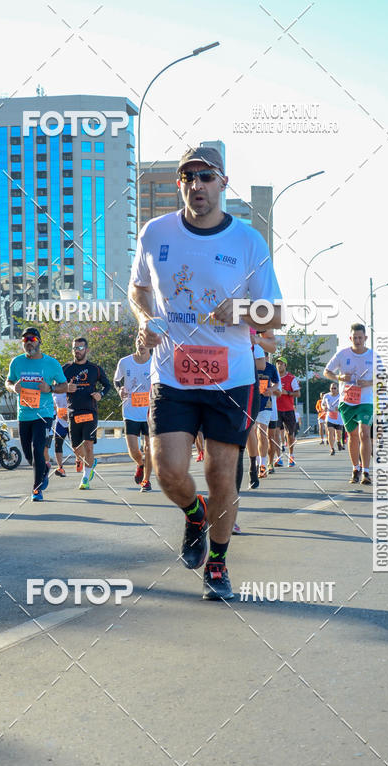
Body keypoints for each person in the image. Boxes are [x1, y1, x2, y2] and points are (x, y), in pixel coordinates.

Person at [129, 145, 282, 600]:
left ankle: (217, 564)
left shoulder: (248, 241)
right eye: (188, 177)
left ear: (223, 183)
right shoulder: (155, 232)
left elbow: (275, 314)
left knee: (221, 474)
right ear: (181, 184)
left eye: (206, 176)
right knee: (167, 471)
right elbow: (138, 290)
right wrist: (145, 321)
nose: (197, 185)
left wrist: (240, 310)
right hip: (172, 373)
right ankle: (195, 514)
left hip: (230, 378)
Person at [5, 327, 67, 501]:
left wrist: (50, 388)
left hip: (43, 414)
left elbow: (64, 386)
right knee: (28, 455)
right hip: (24, 415)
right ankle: (45, 469)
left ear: (39, 341)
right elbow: (8, 381)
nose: (28, 343)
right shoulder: (16, 362)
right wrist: (13, 387)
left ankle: (36, 489)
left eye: (32, 339)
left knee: (38, 449)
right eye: (25, 340)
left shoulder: (51, 363)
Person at [324, 324, 378, 485]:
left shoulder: (373, 355)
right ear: (350, 338)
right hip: (347, 401)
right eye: (355, 338)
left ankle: (366, 472)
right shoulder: (342, 354)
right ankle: (356, 468)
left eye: (360, 337)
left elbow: (383, 377)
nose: (358, 340)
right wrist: (339, 378)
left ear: (365, 338)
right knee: (353, 436)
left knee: (364, 433)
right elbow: (326, 371)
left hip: (365, 400)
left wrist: (368, 382)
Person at [63, 337, 111, 491]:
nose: (77, 351)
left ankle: (85, 477)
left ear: (87, 350)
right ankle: (90, 462)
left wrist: (100, 394)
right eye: (74, 348)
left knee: (89, 445)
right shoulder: (66, 368)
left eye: (80, 348)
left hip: (90, 411)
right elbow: (56, 385)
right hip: (73, 412)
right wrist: (66, 387)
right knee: (76, 449)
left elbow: (107, 385)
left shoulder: (95, 368)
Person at [114, 338, 153, 491]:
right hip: (130, 411)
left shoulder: (155, 362)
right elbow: (117, 380)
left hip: (150, 412)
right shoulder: (125, 362)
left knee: (149, 448)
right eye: (138, 341)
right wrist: (120, 390)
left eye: (144, 342)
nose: (141, 345)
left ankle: (146, 480)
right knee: (133, 450)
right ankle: (140, 463)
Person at [254, 350, 280, 479]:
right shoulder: (249, 365)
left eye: (264, 356)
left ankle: (262, 465)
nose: (262, 359)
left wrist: (271, 389)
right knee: (252, 435)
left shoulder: (271, 368)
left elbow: (277, 384)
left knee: (262, 433)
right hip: (251, 404)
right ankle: (255, 461)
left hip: (266, 404)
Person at [274, 356, 300, 467]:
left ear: (285, 365)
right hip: (276, 410)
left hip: (288, 410)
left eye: (281, 364)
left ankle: (291, 456)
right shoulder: (273, 377)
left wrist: (287, 393)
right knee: (276, 434)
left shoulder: (291, 378)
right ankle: (278, 458)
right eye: (278, 363)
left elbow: (298, 393)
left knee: (290, 435)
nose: (279, 365)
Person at [322, 382, 343, 454]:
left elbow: (345, 405)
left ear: (337, 389)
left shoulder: (341, 396)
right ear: (329, 388)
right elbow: (323, 404)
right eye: (331, 388)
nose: (333, 390)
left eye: (334, 388)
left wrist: (339, 408)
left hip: (339, 417)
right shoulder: (326, 396)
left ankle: (338, 441)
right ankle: (332, 448)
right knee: (330, 432)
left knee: (339, 434)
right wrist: (324, 407)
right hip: (330, 416)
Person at [52, 391, 69, 477]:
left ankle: (82, 461)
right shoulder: (53, 392)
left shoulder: (70, 389)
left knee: (76, 445)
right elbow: (53, 407)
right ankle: (60, 468)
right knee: (57, 444)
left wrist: (69, 416)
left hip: (72, 421)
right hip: (60, 422)